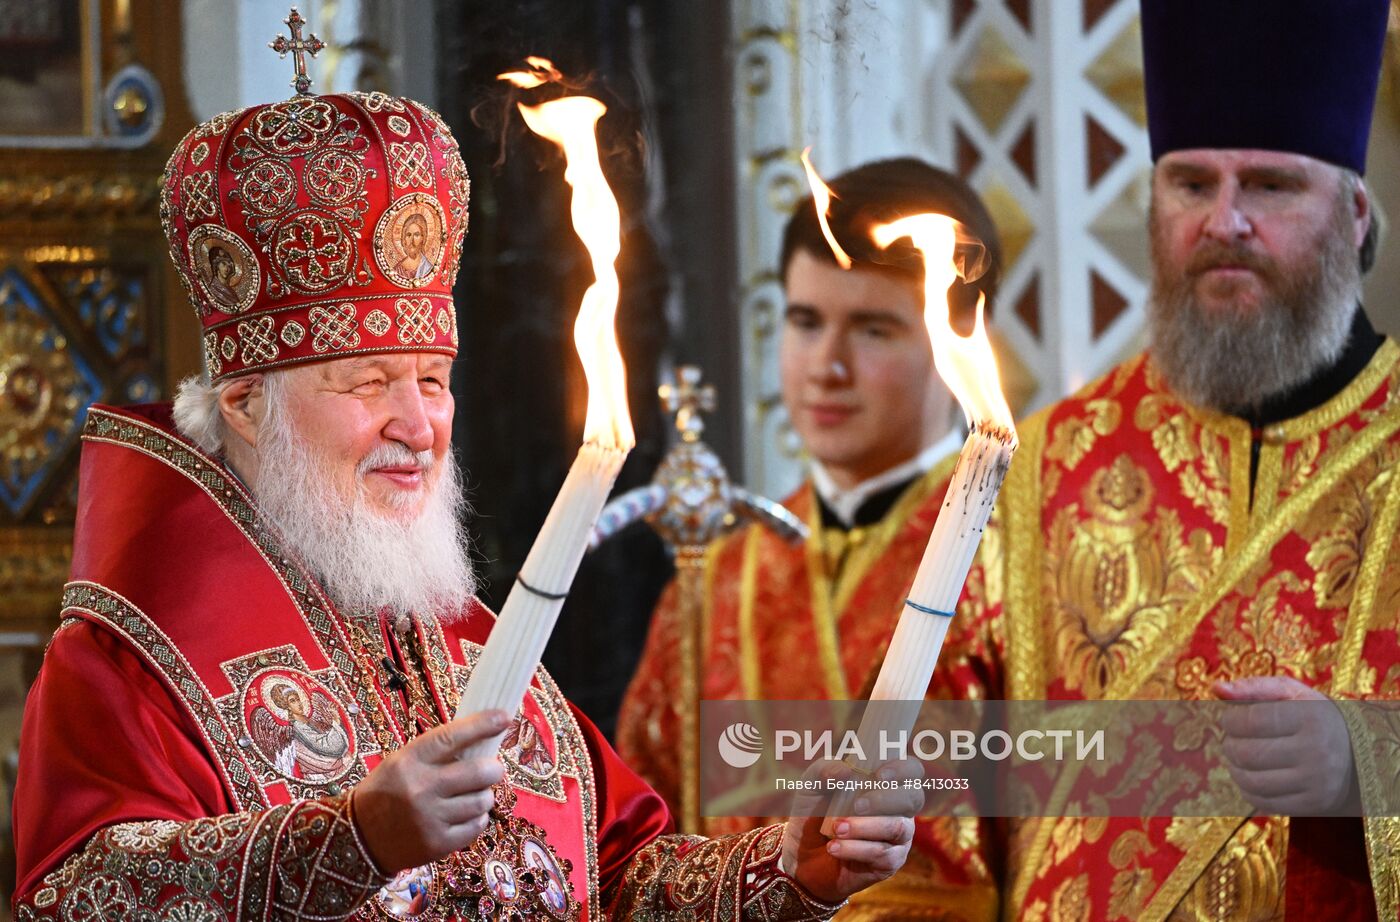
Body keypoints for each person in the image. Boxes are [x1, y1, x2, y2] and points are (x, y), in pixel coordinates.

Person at [10, 73, 920, 920]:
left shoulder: (466, 639)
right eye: (370, 382)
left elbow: (614, 877)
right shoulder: (131, 660)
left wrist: (787, 868)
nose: (419, 424)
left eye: (435, 380)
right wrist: (353, 841)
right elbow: (81, 892)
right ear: (249, 406)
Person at [962, 0, 1400, 917]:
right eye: (1191, 183)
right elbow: (939, 816)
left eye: (1272, 185)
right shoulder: (1042, 466)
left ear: (1357, 218)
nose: (1224, 221)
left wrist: (1369, 767)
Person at [618, 159, 1005, 920]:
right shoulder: (719, 575)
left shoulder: (1021, 551)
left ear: (956, 341)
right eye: (805, 321)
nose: (826, 367)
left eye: (872, 329)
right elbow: (635, 842)